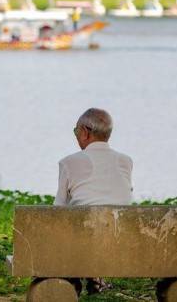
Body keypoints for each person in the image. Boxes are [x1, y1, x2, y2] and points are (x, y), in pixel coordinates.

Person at [55, 107, 133, 294]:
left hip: (82, 242)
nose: (75, 136)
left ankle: (72, 276)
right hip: (119, 242)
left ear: (85, 132)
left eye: (76, 131)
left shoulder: (69, 162)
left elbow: (58, 209)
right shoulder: (126, 161)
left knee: (64, 222)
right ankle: (96, 277)